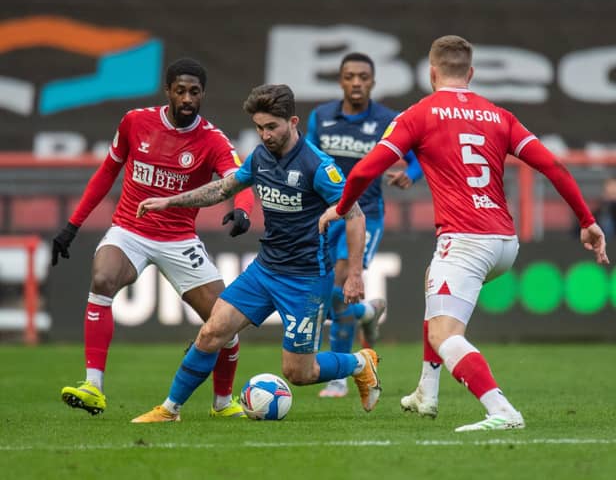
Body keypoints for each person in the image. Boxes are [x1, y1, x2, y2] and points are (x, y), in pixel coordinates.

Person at [319, 35, 609, 432]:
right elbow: (554, 167)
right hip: (505, 242)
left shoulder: (418, 114)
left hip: (466, 240)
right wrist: (586, 221)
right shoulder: (500, 116)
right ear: (470, 73)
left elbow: (366, 169)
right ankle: (427, 390)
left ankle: (502, 412)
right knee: (431, 282)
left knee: (445, 335)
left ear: (431, 72)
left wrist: (343, 205)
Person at [130, 83, 381, 423]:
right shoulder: (260, 157)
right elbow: (223, 187)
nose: (265, 135)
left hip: (306, 280)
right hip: (264, 271)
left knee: (299, 373)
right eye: (259, 127)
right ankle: (170, 409)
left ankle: (359, 363)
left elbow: (355, 215)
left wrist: (353, 274)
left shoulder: (318, 167)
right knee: (212, 331)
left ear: (293, 122)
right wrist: (170, 200)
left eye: (271, 127)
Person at [53, 58, 255, 418]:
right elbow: (105, 174)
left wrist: (243, 210)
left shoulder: (212, 139)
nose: (187, 98)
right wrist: (73, 225)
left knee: (226, 321)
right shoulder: (136, 122)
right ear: (168, 92)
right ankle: (93, 387)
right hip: (129, 230)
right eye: (180, 90)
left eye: (194, 91)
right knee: (102, 279)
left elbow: (239, 179)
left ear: (203, 94)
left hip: (179, 239)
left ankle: (223, 403)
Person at [306, 52, 423, 399]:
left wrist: (410, 175)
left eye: (363, 77)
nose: (356, 82)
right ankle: (367, 313)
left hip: (365, 214)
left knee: (342, 281)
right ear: (341, 80)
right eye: (350, 76)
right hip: (327, 213)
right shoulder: (322, 117)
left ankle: (339, 375)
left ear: (373, 82)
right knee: (326, 292)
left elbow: (418, 158)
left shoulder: (389, 120)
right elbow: (307, 157)